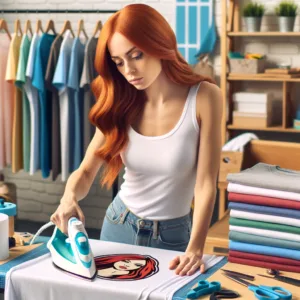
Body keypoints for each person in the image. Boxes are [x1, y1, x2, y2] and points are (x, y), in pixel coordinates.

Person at [50, 3, 223, 277]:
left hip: (174, 235)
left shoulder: (204, 97)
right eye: (119, 62)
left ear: (159, 44)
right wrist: (68, 198)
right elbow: (85, 171)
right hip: (119, 223)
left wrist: (196, 247)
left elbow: (205, 185)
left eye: (136, 55)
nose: (128, 70)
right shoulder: (120, 102)